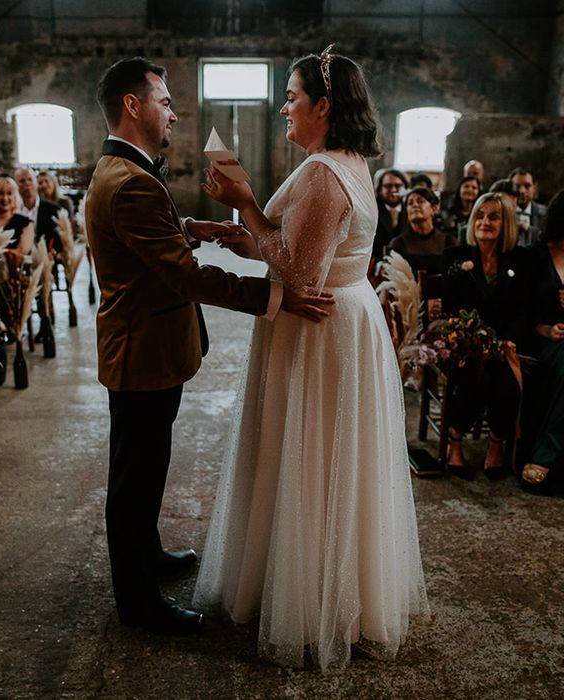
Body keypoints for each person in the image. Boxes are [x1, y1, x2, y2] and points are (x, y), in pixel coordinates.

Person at [193, 47, 428, 671]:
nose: (283, 107)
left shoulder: (324, 172)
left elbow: (299, 271)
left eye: (292, 97)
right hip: (340, 320)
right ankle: (314, 581)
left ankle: (313, 600)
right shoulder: (345, 164)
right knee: (328, 455)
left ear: (324, 106)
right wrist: (223, 227)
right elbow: (279, 245)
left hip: (321, 327)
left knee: (314, 454)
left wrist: (245, 204)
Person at [86, 57, 333, 638]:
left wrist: (196, 227)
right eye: (165, 101)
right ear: (132, 105)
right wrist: (275, 294)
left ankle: (147, 553)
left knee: (147, 464)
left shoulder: (127, 172)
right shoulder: (132, 183)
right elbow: (188, 277)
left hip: (145, 346)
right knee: (134, 477)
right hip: (142, 349)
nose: (174, 112)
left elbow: (153, 236)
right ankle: (139, 606)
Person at [441, 192, 532, 480]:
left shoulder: (520, 259)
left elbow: (524, 310)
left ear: (506, 223)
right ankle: (454, 440)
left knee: (507, 383)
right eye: (480, 215)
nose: (485, 221)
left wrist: (509, 339)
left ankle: (496, 443)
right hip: (465, 345)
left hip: (504, 344)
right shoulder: (456, 257)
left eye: (494, 216)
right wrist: (471, 341)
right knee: (477, 379)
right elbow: (448, 308)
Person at [522, 189, 564, 493]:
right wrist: (546, 330)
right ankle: (546, 452)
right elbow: (520, 311)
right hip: (544, 341)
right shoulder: (537, 256)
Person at [388, 187, 457, 275]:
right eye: (410, 203)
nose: (415, 205)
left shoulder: (449, 241)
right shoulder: (398, 244)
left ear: (434, 209)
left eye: (420, 201)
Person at [0, 173, 34, 255]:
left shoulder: (25, 223)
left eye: (9, 193)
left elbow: (21, 253)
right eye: (0, 193)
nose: (5, 198)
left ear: (15, 196)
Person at [372, 167, 408, 260]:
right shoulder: (372, 211)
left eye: (398, 186)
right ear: (380, 190)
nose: (393, 190)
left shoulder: (411, 211)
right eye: (388, 186)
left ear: (405, 189)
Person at [510, 167, 547, 246]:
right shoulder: (501, 212)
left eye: (527, 186)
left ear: (534, 188)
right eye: (516, 186)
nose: (521, 191)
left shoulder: (545, 214)